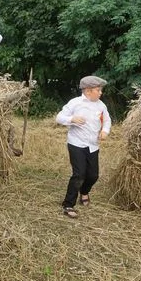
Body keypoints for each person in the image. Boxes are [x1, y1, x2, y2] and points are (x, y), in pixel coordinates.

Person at [56, 76, 112, 219]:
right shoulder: (75, 103)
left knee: (93, 175)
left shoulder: (101, 105)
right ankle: (68, 204)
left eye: (100, 90)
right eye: (98, 90)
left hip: (93, 145)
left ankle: (84, 191)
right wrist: (71, 119)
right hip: (76, 143)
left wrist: (105, 131)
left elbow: (107, 121)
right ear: (88, 91)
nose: (100, 93)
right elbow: (59, 117)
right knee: (79, 174)